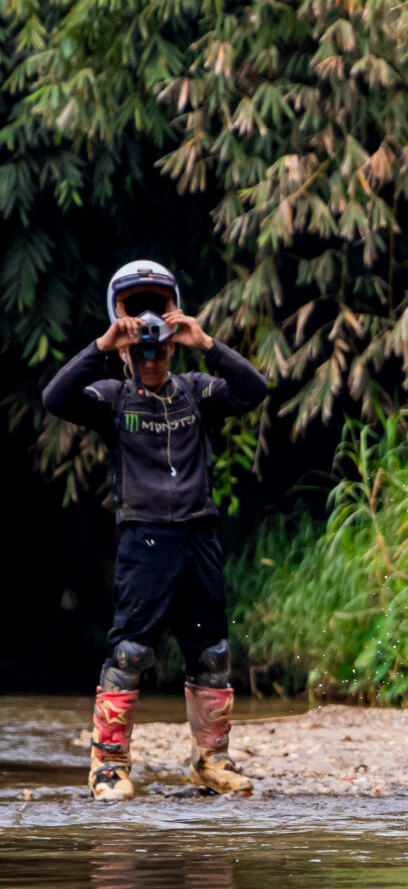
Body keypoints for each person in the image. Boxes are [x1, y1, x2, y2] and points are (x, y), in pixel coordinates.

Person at [42, 261, 269, 799]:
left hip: (199, 536)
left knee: (211, 653)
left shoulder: (195, 391)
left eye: (159, 350)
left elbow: (254, 389)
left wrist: (205, 341)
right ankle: (109, 765)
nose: (150, 359)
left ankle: (211, 761)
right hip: (144, 539)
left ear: (171, 347)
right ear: (127, 351)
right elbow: (55, 399)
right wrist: (102, 344)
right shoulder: (113, 399)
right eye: (140, 352)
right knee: (131, 654)